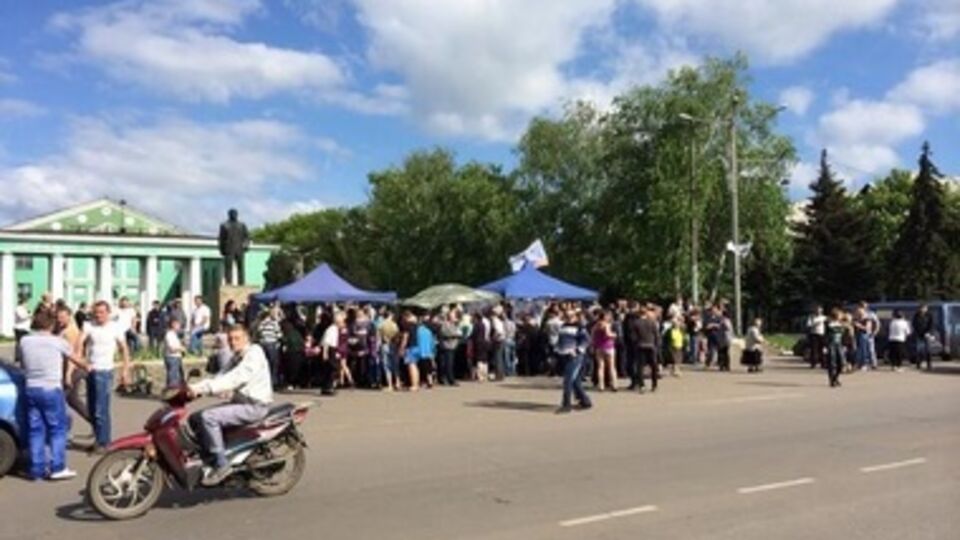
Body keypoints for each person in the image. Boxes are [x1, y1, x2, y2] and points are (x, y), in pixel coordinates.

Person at [188, 325, 272, 485]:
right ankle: (209, 455)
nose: (233, 342)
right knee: (195, 418)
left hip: (255, 406)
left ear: (246, 338)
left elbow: (236, 377)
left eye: (237, 338)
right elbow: (220, 377)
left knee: (208, 418)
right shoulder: (236, 357)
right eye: (230, 339)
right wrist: (194, 389)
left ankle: (222, 464)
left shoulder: (254, 353)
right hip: (241, 403)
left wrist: (206, 389)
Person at [19, 309, 88, 481]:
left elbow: (22, 361)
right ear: (52, 324)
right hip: (51, 388)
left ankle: (36, 469)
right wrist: (88, 366)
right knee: (57, 428)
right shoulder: (57, 342)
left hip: (31, 388)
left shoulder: (25, 341)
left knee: (36, 430)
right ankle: (58, 467)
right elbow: (76, 359)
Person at [81, 301, 131, 453]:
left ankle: (105, 442)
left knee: (101, 409)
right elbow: (80, 341)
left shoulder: (115, 327)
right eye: (96, 312)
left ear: (108, 313)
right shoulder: (89, 326)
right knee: (91, 408)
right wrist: (81, 360)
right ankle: (98, 439)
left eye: (102, 312)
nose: (98, 315)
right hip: (91, 370)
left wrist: (125, 370)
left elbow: (124, 349)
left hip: (105, 371)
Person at [54, 304, 91, 432]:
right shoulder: (61, 329)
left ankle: (63, 430)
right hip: (66, 368)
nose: (59, 320)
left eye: (62, 317)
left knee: (61, 398)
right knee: (73, 400)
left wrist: (68, 374)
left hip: (74, 369)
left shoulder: (71, 332)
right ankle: (95, 423)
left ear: (69, 316)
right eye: (58, 317)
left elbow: (74, 354)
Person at [556, 309, 591, 414]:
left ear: (576, 317)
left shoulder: (580, 327)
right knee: (575, 380)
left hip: (575, 356)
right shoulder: (563, 326)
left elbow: (586, 340)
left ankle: (566, 404)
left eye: (571, 316)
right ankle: (585, 401)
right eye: (566, 316)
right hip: (564, 355)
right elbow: (560, 340)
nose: (568, 318)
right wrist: (557, 350)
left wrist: (577, 350)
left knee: (568, 380)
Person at [257, 306, 282, 387]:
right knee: (274, 364)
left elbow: (259, 332)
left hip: (263, 344)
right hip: (272, 343)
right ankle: (273, 382)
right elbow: (279, 334)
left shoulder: (262, 323)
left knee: (265, 364)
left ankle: (264, 381)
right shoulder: (274, 323)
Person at [592, 311, 618, 391]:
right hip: (608, 346)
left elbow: (592, 336)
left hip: (599, 347)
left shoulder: (595, 326)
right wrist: (614, 335)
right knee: (611, 367)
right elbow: (607, 334)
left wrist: (594, 345)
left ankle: (601, 385)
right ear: (605, 317)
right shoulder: (606, 325)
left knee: (600, 367)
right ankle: (614, 385)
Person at [378, 311, 400, 391]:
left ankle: (390, 385)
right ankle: (397, 383)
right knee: (395, 365)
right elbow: (397, 336)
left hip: (384, 345)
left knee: (387, 366)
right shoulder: (394, 325)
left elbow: (379, 336)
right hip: (393, 345)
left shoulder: (381, 324)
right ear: (390, 315)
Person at [438, 309, 461, 386]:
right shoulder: (445, 324)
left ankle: (446, 379)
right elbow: (445, 333)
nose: (454, 317)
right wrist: (455, 335)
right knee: (447, 364)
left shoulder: (454, 324)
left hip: (452, 346)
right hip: (447, 346)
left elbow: (459, 332)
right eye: (453, 315)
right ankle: (450, 380)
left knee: (449, 364)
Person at [163, 319, 186, 388]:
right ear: (173, 324)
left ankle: (176, 390)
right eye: (178, 324)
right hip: (172, 358)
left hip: (176, 357)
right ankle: (172, 390)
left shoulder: (174, 335)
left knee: (178, 376)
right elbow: (171, 348)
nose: (179, 326)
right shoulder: (169, 335)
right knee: (173, 377)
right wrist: (181, 349)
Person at [911, 304, 934, 371]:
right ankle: (918, 364)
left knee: (928, 350)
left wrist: (928, 332)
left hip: (927, 335)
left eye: (924, 308)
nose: (922, 309)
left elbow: (931, 325)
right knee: (919, 350)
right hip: (919, 335)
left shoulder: (929, 315)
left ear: (926, 309)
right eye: (921, 308)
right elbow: (914, 324)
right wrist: (917, 332)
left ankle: (929, 365)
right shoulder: (916, 315)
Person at [826, 309, 845, 387]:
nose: (841, 316)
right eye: (840, 315)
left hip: (839, 344)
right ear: (836, 316)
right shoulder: (829, 324)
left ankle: (836, 378)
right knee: (832, 363)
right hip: (831, 344)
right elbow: (827, 333)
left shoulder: (840, 324)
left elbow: (843, 334)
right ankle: (832, 380)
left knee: (841, 363)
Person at [14, 294, 32, 363]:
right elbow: (22, 317)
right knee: (19, 343)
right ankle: (18, 356)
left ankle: (23, 355)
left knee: (24, 343)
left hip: (25, 328)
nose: (26, 304)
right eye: (26, 302)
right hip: (20, 328)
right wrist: (29, 315)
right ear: (23, 302)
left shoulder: (24, 309)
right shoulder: (18, 308)